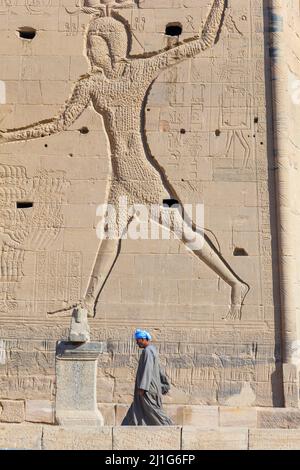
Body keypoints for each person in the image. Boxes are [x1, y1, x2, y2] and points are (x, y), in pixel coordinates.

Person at [122, 329, 174, 426]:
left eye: (138, 340)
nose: (137, 343)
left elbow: (147, 369)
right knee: (136, 409)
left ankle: (169, 427)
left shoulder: (148, 351)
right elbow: (159, 370)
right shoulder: (152, 350)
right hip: (147, 388)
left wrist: (143, 387)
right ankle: (125, 427)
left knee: (154, 412)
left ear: (143, 339)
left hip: (147, 390)